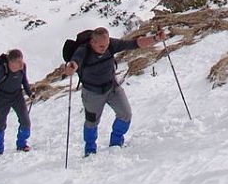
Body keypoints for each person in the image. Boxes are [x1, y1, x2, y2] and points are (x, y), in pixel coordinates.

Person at [63, 26, 166, 155]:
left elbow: (133, 44)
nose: (105, 48)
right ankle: (90, 149)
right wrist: (71, 68)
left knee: (125, 114)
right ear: (92, 42)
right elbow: (74, 63)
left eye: (106, 44)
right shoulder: (83, 51)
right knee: (92, 122)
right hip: (92, 93)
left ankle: (116, 141)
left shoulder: (110, 44)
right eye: (101, 46)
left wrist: (155, 38)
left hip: (112, 87)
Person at [0, 49, 35, 157]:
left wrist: (30, 94)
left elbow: (24, 81)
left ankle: (22, 144)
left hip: (17, 96)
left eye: (21, 60)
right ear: (11, 62)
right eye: (18, 62)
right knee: (0, 124)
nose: (21, 63)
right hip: (2, 98)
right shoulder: (3, 70)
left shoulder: (23, 67)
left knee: (25, 121)